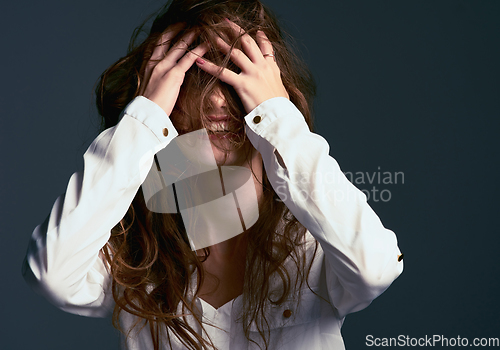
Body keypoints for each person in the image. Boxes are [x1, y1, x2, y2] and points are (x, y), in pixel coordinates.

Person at [22, 0, 404, 349]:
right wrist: (145, 118)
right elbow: (51, 273)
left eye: (236, 76)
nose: (220, 100)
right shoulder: (133, 248)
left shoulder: (317, 235)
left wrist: (278, 117)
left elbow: (375, 268)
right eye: (197, 76)